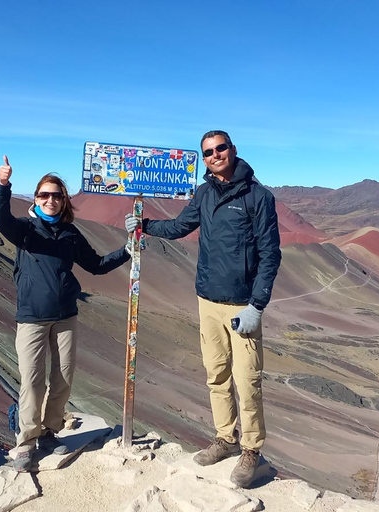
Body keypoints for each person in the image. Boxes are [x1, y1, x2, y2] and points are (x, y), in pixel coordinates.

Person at [126, 130, 281, 488]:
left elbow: (271, 255)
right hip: (207, 301)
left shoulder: (258, 197)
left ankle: (251, 451)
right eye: (208, 152)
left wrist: (257, 305)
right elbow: (182, 225)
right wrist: (145, 226)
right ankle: (226, 439)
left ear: (233, 150)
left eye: (220, 148)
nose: (215, 155)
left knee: (248, 381)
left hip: (242, 305)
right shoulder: (204, 193)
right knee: (217, 375)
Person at [0, 155, 132, 473]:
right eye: (44, 194)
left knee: (63, 379)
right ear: (36, 199)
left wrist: (127, 250)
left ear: (64, 200)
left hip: (66, 317)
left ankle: (48, 432)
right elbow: (0, 219)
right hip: (32, 319)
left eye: (56, 195)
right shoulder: (26, 231)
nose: (50, 200)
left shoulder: (70, 234)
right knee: (32, 382)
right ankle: (25, 443)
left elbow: (95, 265)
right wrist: (3, 185)